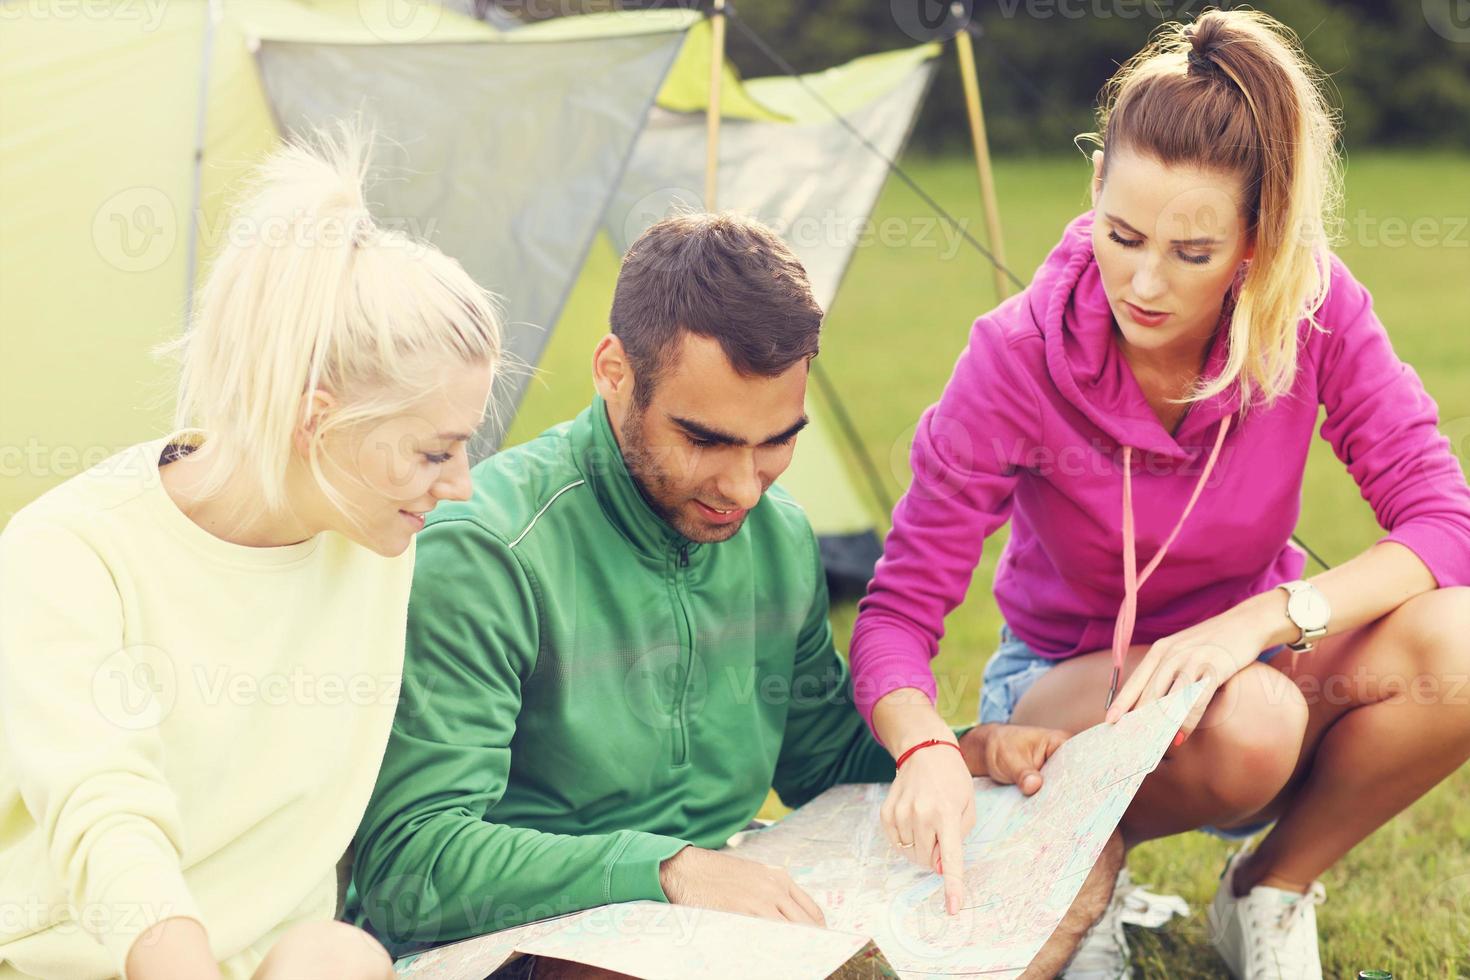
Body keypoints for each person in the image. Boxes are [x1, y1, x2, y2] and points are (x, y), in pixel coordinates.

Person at [849, 9, 1470, 980]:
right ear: (1094, 183)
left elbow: (1444, 521)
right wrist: (929, 743)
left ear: (1255, 243)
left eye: (1192, 252)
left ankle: (1267, 889)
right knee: (1253, 715)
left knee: (1458, 645)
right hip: (1069, 693)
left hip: (1255, 664)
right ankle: (1075, 854)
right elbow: (896, 612)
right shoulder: (1013, 355)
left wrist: (1256, 621)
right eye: (1122, 232)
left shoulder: (1311, 307)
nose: (1144, 281)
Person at [345, 211, 1121, 979]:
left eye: (777, 441)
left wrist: (963, 753)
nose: (743, 489)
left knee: (1066, 839)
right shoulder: (487, 553)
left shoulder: (777, 538)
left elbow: (825, 766)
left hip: (732, 917)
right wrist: (670, 871)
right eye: (706, 441)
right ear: (614, 372)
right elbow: (410, 868)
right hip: (527, 946)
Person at [0, 128, 502, 979]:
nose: (462, 485)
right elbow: (109, 822)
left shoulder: (374, 537)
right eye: (432, 452)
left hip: (285, 965)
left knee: (339, 956)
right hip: (91, 965)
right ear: (316, 422)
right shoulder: (70, 551)